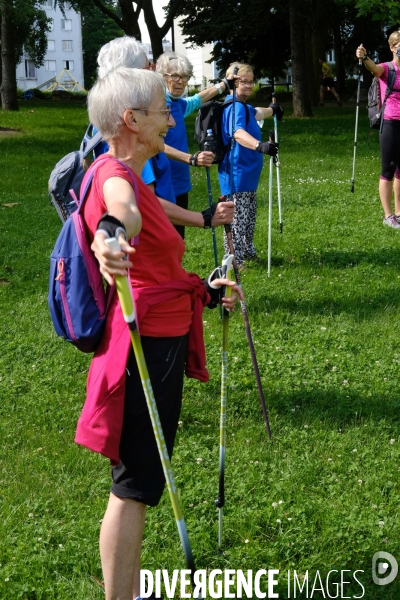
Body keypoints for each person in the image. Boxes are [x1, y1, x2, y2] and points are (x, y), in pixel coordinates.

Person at [74, 67, 242, 600]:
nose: (172, 118)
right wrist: (109, 236)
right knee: (136, 485)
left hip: (157, 332)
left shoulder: (126, 168)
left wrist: (209, 291)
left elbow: (148, 215)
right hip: (144, 348)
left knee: (138, 482)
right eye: (163, 111)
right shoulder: (115, 178)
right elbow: (122, 213)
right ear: (132, 120)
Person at [88, 37, 234, 232]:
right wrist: (203, 218)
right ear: (127, 78)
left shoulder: (110, 121)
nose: (171, 122)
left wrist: (223, 85)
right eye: (149, 68)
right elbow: (132, 200)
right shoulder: (128, 134)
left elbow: (197, 99)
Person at [156, 51, 234, 238]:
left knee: (178, 240)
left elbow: (198, 99)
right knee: (164, 239)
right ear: (162, 77)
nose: (180, 81)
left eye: (184, 77)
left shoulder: (179, 104)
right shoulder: (157, 106)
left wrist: (225, 84)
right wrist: (190, 158)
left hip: (181, 183)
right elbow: (154, 143)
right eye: (175, 76)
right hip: (161, 183)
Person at [218, 62, 283, 268]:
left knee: (248, 216)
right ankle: (234, 260)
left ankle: (247, 251)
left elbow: (256, 113)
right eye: (242, 81)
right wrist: (260, 146)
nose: (247, 85)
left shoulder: (242, 106)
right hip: (237, 174)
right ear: (232, 83)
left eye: (250, 81)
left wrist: (273, 110)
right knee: (237, 219)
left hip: (248, 174)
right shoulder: (234, 106)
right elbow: (237, 133)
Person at [356, 34, 400, 229]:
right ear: (392, 47)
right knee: (388, 170)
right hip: (390, 123)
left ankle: (399, 213)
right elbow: (373, 69)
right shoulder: (387, 68)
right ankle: (388, 215)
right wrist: (364, 57)